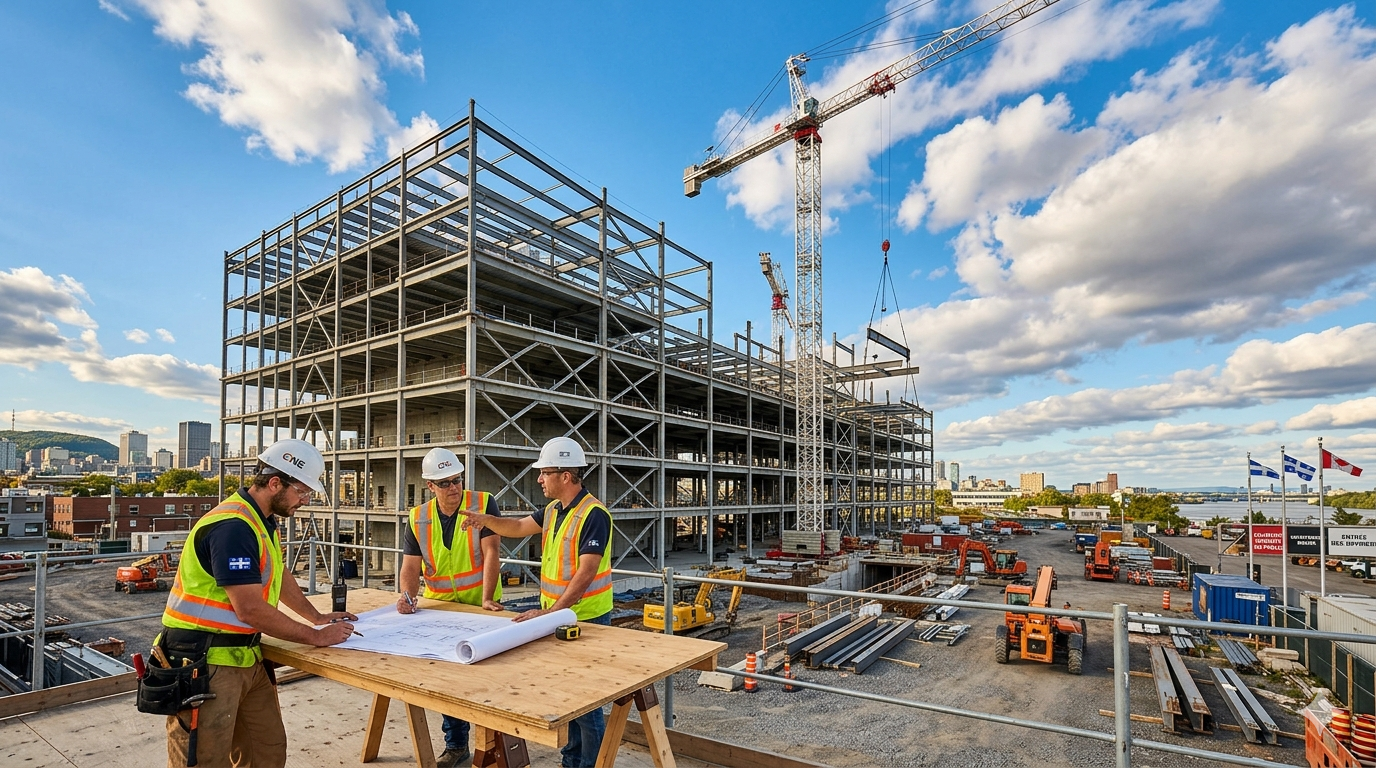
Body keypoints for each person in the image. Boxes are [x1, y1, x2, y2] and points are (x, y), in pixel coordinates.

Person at [159, 438, 357, 768]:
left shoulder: (262, 522)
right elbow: (249, 608)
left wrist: (316, 616)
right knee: (205, 759)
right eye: (302, 492)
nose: (305, 501)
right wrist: (315, 636)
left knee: (266, 750)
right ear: (275, 483)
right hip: (204, 662)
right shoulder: (233, 527)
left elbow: (276, 575)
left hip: (245, 655)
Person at [462, 436, 612, 768]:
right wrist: (483, 520)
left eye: (545, 473)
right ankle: (572, 761)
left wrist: (550, 614)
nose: (540, 479)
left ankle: (590, 765)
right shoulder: (554, 510)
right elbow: (516, 526)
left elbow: (586, 572)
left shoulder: (594, 515)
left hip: (587, 621)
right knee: (569, 697)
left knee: (586, 704)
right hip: (561, 619)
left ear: (566, 476)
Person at [397, 448, 504, 767]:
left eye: (457, 480)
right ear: (430, 486)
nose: (453, 487)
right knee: (448, 681)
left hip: (481, 607)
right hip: (442, 608)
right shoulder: (419, 517)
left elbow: (491, 553)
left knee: (489, 680)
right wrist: (407, 596)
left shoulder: (482, 503)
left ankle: (496, 747)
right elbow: (410, 566)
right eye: (444, 483)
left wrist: (486, 599)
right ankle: (457, 746)